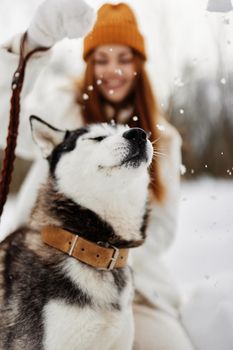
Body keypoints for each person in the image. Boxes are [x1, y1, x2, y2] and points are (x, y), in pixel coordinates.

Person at [0, 0, 194, 349]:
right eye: (101, 60)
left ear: (139, 63)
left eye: (123, 58)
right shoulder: (63, 110)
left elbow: (162, 229)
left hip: (136, 285)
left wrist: (104, 254)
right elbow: (4, 123)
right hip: (43, 267)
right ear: (89, 65)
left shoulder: (163, 138)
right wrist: (34, 44)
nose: (112, 70)